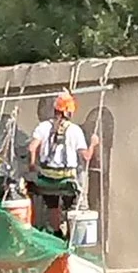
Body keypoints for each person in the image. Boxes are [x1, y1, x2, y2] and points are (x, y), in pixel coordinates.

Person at [28, 91, 99, 237]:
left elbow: (31, 148)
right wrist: (93, 144)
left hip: (47, 178)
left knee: (52, 205)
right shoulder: (75, 130)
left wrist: (33, 165)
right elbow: (86, 157)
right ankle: (69, 233)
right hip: (66, 179)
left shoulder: (42, 127)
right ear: (69, 113)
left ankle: (56, 232)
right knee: (70, 204)